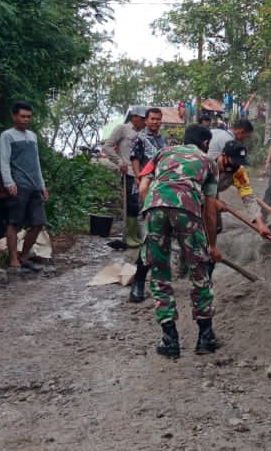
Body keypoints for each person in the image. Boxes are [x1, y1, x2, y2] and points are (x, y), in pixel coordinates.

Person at [129, 124, 226, 359]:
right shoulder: (209, 162)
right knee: (199, 273)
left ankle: (170, 340)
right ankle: (205, 338)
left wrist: (152, 213)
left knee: (160, 275)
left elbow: (143, 186)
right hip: (187, 210)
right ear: (205, 143)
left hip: (154, 207)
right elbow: (210, 209)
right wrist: (211, 245)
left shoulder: (163, 153)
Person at [0, 101, 50, 273]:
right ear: (14, 117)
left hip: (34, 186)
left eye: (29, 117)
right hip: (18, 185)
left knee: (38, 223)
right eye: (23, 116)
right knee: (14, 222)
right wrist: (9, 182)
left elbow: (36, 163)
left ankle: (24, 256)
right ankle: (13, 260)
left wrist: (42, 185)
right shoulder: (7, 136)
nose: (26, 120)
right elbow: (4, 160)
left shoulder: (32, 137)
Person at [122, 107, 170, 249]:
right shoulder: (140, 137)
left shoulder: (163, 139)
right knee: (145, 211)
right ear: (147, 120)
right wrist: (138, 176)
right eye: (152, 119)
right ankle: (146, 245)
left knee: (159, 212)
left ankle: (158, 242)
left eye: (158, 119)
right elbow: (135, 158)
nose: (156, 122)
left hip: (160, 182)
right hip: (145, 181)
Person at [102, 106, 146, 246]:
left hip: (143, 174)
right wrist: (120, 161)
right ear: (134, 117)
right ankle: (129, 236)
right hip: (129, 172)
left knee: (140, 205)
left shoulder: (144, 133)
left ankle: (137, 234)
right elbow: (107, 147)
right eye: (143, 118)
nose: (145, 121)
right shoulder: (122, 129)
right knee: (131, 204)